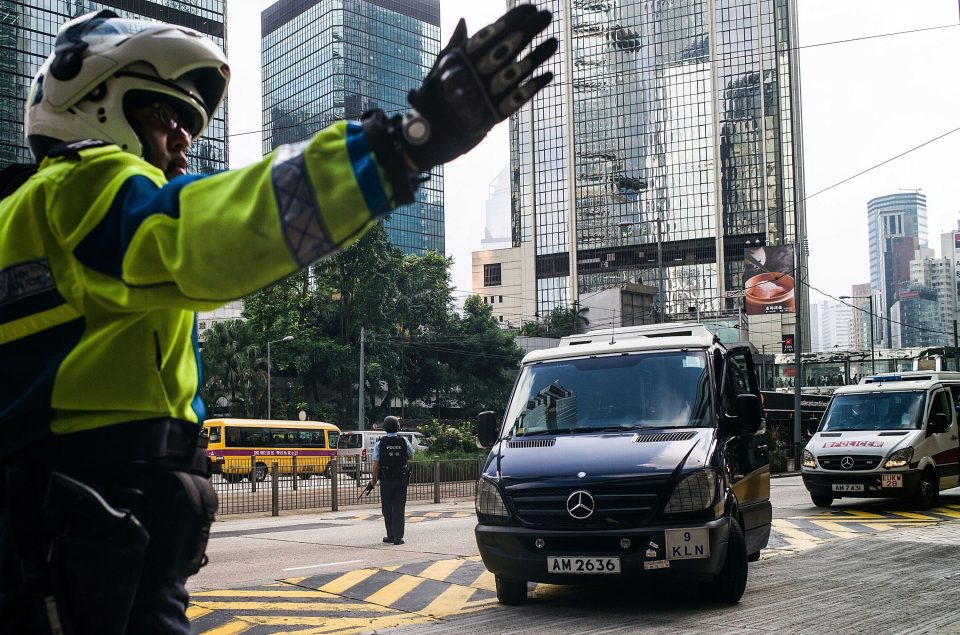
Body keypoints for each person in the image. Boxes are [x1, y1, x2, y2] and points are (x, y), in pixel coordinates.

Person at [0, 7, 556, 634]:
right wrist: (404, 144)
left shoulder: (23, 220)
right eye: (166, 115)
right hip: (95, 539)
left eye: (192, 123)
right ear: (94, 104)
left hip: (72, 542)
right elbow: (216, 232)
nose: (185, 139)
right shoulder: (83, 189)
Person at [368, 416, 415, 545]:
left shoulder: (380, 443)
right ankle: (398, 538)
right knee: (399, 507)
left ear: (385, 428)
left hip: (386, 480)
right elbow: (411, 455)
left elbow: (376, 464)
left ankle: (390, 535)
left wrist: (373, 479)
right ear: (397, 427)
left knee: (387, 508)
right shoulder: (404, 441)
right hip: (401, 479)